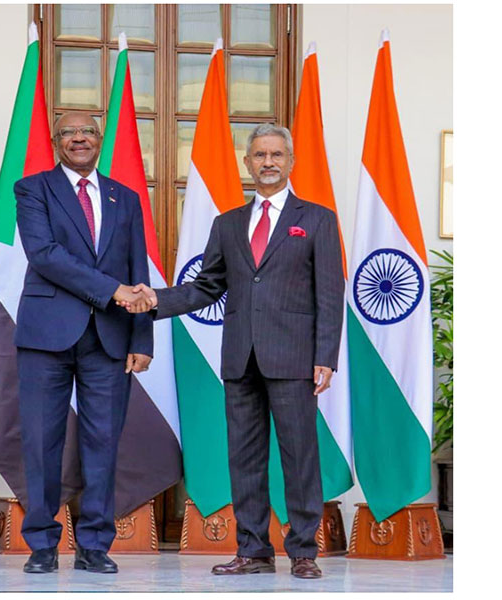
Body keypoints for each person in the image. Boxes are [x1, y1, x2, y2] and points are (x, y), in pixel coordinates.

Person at [122, 124, 341, 580]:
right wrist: (155, 300)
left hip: (294, 359)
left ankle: (303, 551)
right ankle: (253, 550)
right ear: (248, 162)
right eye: (259, 154)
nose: (268, 162)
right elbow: (206, 287)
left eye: (276, 154)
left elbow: (329, 294)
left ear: (290, 161)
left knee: (299, 456)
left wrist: (326, 356)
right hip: (240, 359)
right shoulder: (228, 224)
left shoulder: (316, 218)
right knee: (244, 457)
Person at [12, 113, 152, 575]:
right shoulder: (33, 189)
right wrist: (112, 291)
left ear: (99, 140)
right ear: (56, 142)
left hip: (110, 338)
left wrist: (142, 336)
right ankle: (42, 544)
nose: (79, 139)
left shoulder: (125, 198)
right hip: (46, 336)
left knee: (103, 443)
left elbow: (138, 271)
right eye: (70, 133)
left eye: (87, 132)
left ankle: (94, 544)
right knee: (41, 443)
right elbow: (46, 256)